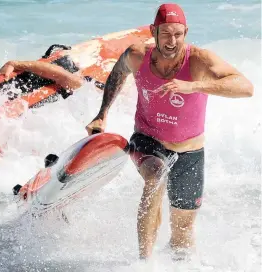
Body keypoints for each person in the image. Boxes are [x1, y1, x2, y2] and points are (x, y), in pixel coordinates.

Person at [85, 3, 254, 260]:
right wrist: (102, 114)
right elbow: (117, 74)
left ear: (186, 32)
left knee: (182, 235)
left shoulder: (198, 59)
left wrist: (194, 86)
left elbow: (245, 87)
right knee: (155, 175)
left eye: (177, 34)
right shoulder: (137, 55)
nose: (172, 40)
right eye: (165, 33)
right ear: (154, 31)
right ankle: (145, 263)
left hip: (190, 151)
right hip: (148, 138)